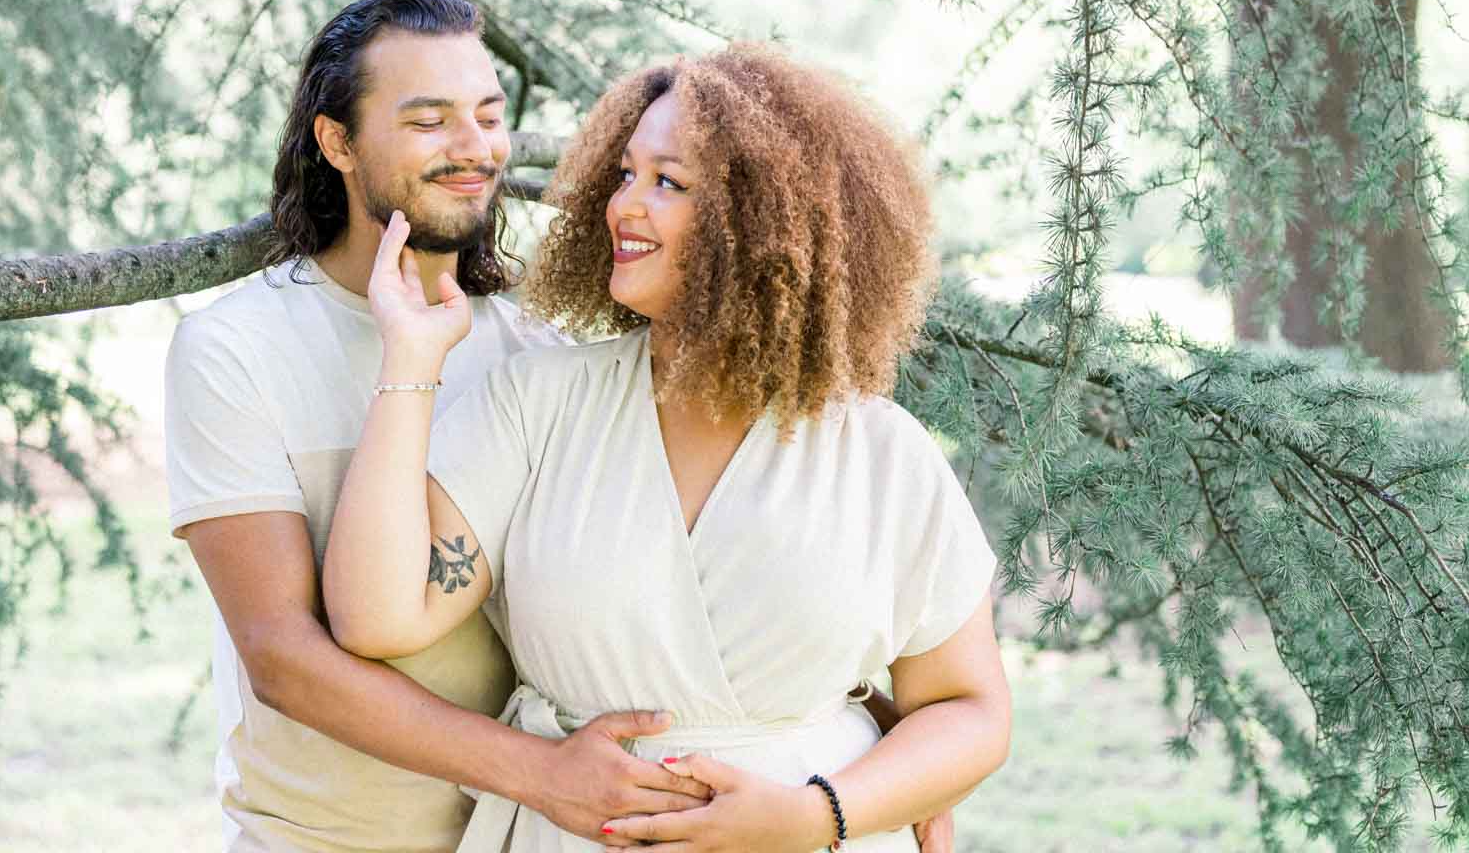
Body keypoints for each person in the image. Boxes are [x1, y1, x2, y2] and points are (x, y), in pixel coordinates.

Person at [323, 44, 1011, 850]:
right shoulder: (538, 405)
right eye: (623, 175)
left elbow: (970, 711)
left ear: (760, 223)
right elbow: (375, 617)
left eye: (668, 183)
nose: (625, 207)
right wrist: (409, 358)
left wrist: (814, 813)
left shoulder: (879, 451)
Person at [165, 0, 720, 852]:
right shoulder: (234, 348)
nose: (474, 150)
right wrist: (541, 772)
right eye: (429, 121)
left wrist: (861, 735)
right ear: (338, 141)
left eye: (489, 115)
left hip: (535, 839)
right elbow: (282, 658)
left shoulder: (542, 345)